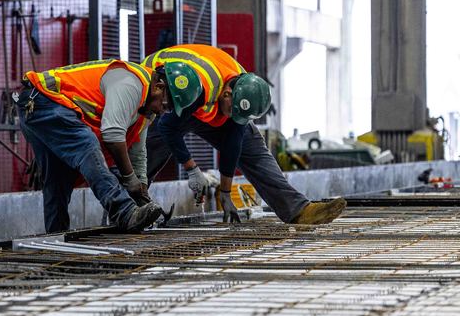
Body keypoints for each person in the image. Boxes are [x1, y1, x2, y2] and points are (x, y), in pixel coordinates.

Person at [142, 44, 347, 224]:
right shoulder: (201, 86)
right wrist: (192, 169)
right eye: (232, 111)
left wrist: (225, 192)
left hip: (206, 102)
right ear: (227, 93)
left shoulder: (240, 94)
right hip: (167, 88)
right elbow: (168, 127)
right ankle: (133, 207)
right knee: (150, 148)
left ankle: (299, 211)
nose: (233, 117)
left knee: (253, 148)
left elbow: (233, 145)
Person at [16, 59, 200, 233]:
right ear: (159, 87)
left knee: (58, 178)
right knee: (87, 145)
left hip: (38, 106)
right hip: (43, 100)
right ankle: (124, 212)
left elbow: (137, 150)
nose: (162, 111)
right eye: (165, 105)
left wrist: (141, 189)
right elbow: (112, 135)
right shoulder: (131, 83)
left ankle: (55, 236)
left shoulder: (145, 108)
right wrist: (129, 179)